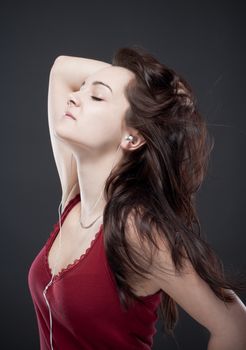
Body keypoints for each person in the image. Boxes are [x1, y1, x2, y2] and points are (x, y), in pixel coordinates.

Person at [28, 46, 246, 350]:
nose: (74, 96)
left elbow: (235, 325)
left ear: (131, 137)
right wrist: (158, 100)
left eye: (97, 96)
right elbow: (61, 68)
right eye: (83, 88)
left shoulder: (137, 230)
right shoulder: (75, 197)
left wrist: (150, 105)